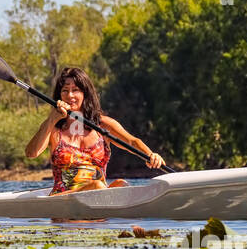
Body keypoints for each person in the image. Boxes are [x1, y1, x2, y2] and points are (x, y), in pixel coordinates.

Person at [25, 66, 163, 194]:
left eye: (76, 90)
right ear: (59, 95)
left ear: (85, 93)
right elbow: (31, 153)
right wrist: (52, 119)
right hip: (63, 198)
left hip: (99, 197)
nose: (70, 96)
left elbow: (132, 142)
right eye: (65, 91)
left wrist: (150, 154)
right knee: (97, 186)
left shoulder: (103, 125)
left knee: (121, 184)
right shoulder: (53, 127)